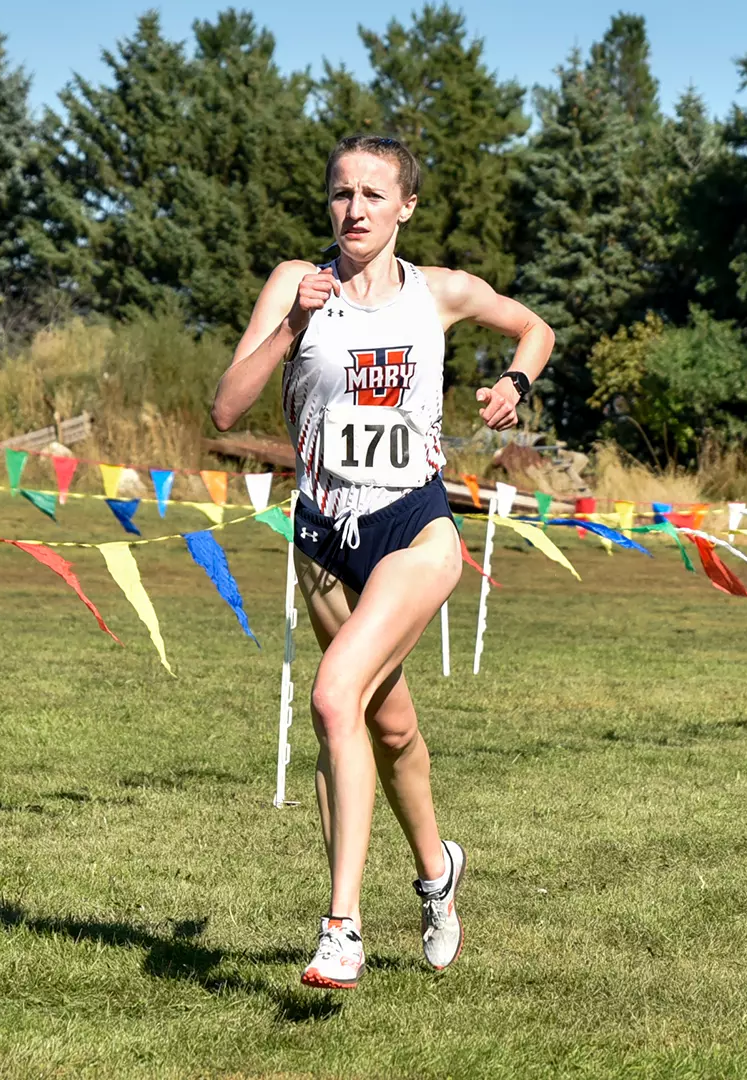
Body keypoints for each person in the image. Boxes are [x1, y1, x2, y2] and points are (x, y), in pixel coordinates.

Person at [210, 134, 553, 989]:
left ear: (405, 207)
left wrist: (516, 380)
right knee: (384, 726)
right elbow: (225, 408)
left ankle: (341, 928)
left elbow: (534, 328)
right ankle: (439, 874)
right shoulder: (298, 285)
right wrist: (291, 326)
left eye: (372, 194)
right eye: (340, 194)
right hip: (324, 537)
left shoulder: (441, 292)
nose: (353, 209)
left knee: (333, 696)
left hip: (415, 528)